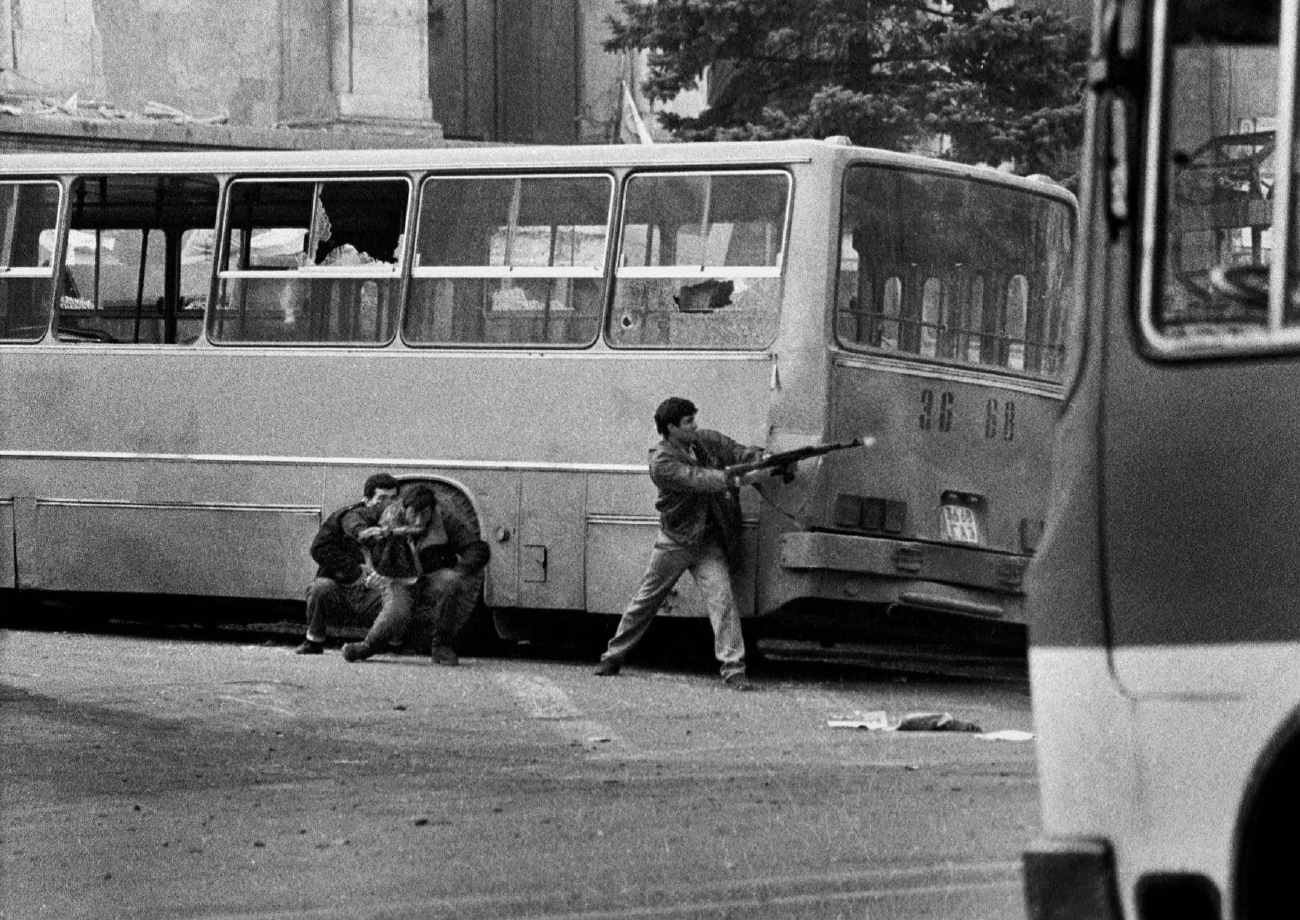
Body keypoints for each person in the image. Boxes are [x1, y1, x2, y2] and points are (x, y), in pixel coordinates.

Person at [594, 397, 782, 691]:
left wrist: (763, 458)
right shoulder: (661, 462)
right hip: (675, 542)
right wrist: (741, 479)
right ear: (671, 428)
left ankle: (734, 670)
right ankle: (613, 656)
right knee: (646, 601)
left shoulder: (703, 440)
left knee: (723, 603)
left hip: (707, 543)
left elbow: (735, 450)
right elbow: (699, 479)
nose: (695, 425)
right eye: (688, 422)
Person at [342, 483, 490, 667]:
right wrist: (363, 532)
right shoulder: (386, 515)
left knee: (451, 582)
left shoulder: (444, 519)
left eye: (425, 514)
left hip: (431, 576)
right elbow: (352, 517)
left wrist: (461, 570)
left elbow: (476, 548)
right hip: (398, 578)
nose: (419, 521)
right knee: (397, 612)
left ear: (432, 510)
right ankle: (368, 646)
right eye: (414, 514)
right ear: (403, 509)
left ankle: (441, 646)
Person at [295, 472, 400, 655]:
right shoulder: (345, 517)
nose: (387, 504)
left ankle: (388, 640)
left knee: (401, 598)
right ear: (366, 500)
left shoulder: (399, 522)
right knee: (320, 588)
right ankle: (313, 641)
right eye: (382, 498)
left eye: (392, 499)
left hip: (376, 592)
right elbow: (319, 548)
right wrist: (355, 571)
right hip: (343, 588)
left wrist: (386, 575)